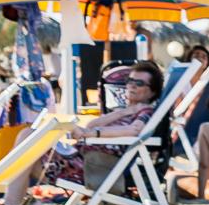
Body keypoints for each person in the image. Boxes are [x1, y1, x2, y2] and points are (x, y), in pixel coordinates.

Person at [41, 60, 165, 189]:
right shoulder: (126, 111)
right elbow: (91, 124)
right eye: (130, 80)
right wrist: (123, 112)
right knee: (30, 149)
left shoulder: (146, 110)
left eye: (139, 83)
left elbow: (134, 130)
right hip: (82, 159)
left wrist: (92, 134)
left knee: (31, 154)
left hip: (94, 168)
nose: (132, 86)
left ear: (152, 92)